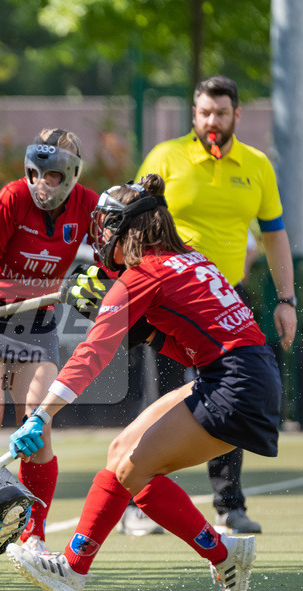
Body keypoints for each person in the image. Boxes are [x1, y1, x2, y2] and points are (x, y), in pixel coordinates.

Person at [5, 176, 278, 591]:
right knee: (121, 454)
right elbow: (182, 339)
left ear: (128, 230)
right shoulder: (189, 259)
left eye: (107, 226)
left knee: (133, 468)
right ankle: (225, 555)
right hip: (243, 374)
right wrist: (130, 317)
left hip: (234, 385)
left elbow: (93, 352)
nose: (101, 236)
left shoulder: (141, 276)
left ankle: (74, 570)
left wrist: (41, 413)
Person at [123, 74, 297, 535]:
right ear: (194, 115)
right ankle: (139, 504)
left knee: (227, 397)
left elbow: (275, 235)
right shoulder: (166, 156)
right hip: (168, 300)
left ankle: (228, 506)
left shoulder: (257, 165)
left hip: (225, 300)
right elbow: (132, 224)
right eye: (203, 113)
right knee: (158, 395)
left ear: (236, 115)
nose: (211, 121)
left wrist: (286, 300)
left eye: (220, 112)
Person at [0, 128, 98, 572]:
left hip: (38, 321)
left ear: (72, 173)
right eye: (37, 174)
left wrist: (97, 283)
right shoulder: (11, 198)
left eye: (54, 176)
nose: (42, 184)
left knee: (37, 424)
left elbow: (108, 260)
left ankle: (33, 535)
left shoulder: (89, 205)